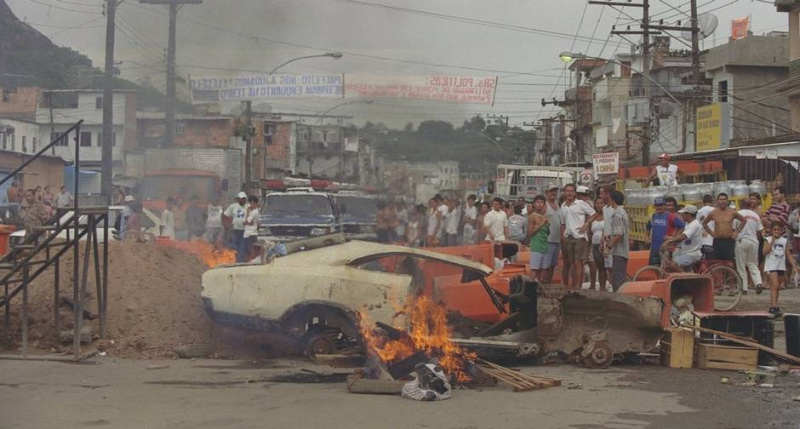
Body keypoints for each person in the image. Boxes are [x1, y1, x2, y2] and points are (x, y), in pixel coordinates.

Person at [560, 183, 595, 290]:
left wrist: (586, 224)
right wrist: (563, 237)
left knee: (578, 263)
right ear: (565, 192)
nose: (569, 193)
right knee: (571, 263)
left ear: (575, 193)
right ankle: (571, 286)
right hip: (568, 237)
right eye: (567, 191)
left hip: (580, 237)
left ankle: (578, 287)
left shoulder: (580, 203)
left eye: (571, 191)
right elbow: (563, 223)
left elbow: (593, 214)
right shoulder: (563, 206)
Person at [763, 221, 798, 316]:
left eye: (778, 229)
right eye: (774, 229)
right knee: (775, 285)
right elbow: (765, 252)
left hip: (780, 266)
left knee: (777, 287)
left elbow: (788, 254)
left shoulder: (784, 240)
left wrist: (794, 266)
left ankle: (774, 305)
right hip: (771, 265)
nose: (776, 231)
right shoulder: (767, 239)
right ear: (771, 230)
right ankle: (773, 306)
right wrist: (773, 240)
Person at [702, 193, 746, 262]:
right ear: (717, 201)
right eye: (721, 199)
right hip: (717, 241)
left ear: (727, 201)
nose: (722, 201)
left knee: (729, 262)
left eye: (724, 199)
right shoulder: (713, 213)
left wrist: (737, 232)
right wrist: (711, 233)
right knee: (718, 262)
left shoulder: (732, 212)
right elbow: (704, 223)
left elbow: (744, 220)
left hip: (728, 241)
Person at [662, 205, 703, 273]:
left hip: (692, 254)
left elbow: (683, 236)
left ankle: (687, 279)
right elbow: (682, 239)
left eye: (683, 214)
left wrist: (669, 241)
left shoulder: (694, 225)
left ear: (688, 214)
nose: (681, 215)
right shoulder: (688, 224)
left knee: (673, 265)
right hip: (686, 252)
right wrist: (671, 243)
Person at [734, 199, 763, 294]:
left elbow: (733, 229)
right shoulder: (755, 215)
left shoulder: (737, 214)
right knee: (753, 264)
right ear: (750, 205)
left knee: (741, 266)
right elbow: (759, 231)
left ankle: (744, 288)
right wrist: (756, 239)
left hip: (741, 240)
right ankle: (758, 282)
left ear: (740, 204)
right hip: (754, 240)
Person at [646, 197, 685, 266]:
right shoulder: (653, 216)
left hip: (666, 247)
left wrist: (673, 238)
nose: (659, 207)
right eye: (657, 205)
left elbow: (682, 226)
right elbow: (648, 227)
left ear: (664, 206)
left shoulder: (670, 216)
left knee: (666, 267)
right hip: (654, 247)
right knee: (654, 266)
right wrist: (647, 237)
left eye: (661, 205)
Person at [603, 190, 629, 291]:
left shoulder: (617, 214)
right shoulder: (622, 212)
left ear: (612, 200)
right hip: (623, 250)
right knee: (619, 276)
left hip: (619, 251)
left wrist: (608, 247)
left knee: (617, 278)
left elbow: (618, 234)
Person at [588, 196, 610, 291]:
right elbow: (589, 232)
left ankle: (604, 287)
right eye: (597, 203)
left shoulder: (608, 216)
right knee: (600, 267)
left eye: (601, 203)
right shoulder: (593, 216)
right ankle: (601, 288)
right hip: (595, 244)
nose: (599, 205)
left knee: (607, 267)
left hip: (605, 245)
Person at [543, 184, 562, 284]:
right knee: (546, 265)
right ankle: (544, 285)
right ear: (546, 193)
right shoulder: (544, 205)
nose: (553, 193)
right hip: (547, 240)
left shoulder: (557, 205)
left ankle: (548, 285)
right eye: (551, 191)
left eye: (555, 191)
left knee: (552, 265)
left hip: (557, 240)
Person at [527, 195, 549, 280]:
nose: (539, 204)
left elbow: (547, 233)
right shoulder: (532, 216)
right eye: (537, 202)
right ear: (534, 204)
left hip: (545, 247)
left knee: (544, 270)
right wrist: (541, 224)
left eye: (541, 202)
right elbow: (529, 232)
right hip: (536, 247)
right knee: (535, 270)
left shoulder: (545, 217)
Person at [224, 192, 248, 258]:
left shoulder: (248, 207)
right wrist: (227, 224)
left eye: (244, 199)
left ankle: (241, 260)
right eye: (241, 199)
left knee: (243, 246)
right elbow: (225, 215)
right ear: (238, 199)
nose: (243, 200)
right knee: (234, 246)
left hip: (245, 231)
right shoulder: (233, 206)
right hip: (235, 230)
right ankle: (234, 259)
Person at [241, 195, 260, 263]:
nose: (251, 205)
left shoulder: (254, 212)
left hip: (250, 234)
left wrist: (247, 212)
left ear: (256, 204)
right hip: (249, 233)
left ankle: (250, 262)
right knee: (247, 250)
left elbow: (246, 222)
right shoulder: (255, 212)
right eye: (250, 203)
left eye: (253, 203)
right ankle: (249, 261)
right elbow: (258, 224)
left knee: (249, 250)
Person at [696, 194, 715, 259]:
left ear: (703, 202)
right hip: (713, 240)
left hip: (701, 241)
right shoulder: (715, 210)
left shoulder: (698, 212)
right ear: (712, 202)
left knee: (703, 261)